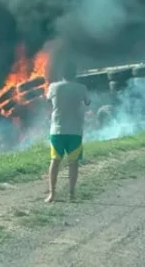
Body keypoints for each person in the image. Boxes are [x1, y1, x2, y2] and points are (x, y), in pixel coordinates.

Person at [44, 62, 90, 203]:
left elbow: (47, 101)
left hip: (57, 129)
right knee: (73, 162)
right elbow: (88, 102)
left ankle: (52, 194)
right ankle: (71, 194)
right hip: (75, 130)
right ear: (75, 74)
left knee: (55, 161)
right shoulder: (81, 88)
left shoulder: (53, 87)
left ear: (62, 74)